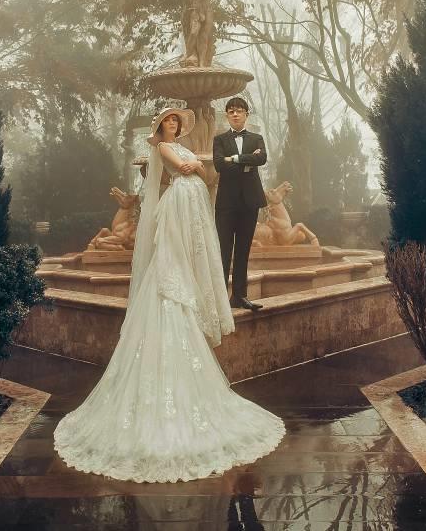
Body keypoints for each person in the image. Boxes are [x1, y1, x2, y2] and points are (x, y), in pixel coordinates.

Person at [53, 108, 284, 483]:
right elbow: (187, 169)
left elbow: (204, 172)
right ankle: (172, 283)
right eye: (168, 122)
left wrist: (199, 167)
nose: (173, 126)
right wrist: (194, 167)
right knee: (171, 255)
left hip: (193, 203)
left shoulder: (185, 146)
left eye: (176, 122)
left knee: (195, 252)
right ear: (161, 127)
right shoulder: (163, 147)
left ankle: (186, 280)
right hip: (178, 203)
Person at [213, 98, 267, 311]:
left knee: (243, 251)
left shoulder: (256, 138)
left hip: (250, 201)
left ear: (246, 114)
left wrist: (233, 159)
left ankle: (239, 296)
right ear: (227, 115)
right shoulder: (219, 140)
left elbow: (261, 159)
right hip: (226, 203)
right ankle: (219, 300)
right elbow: (219, 164)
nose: (235, 114)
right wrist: (246, 160)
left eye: (239, 111)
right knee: (224, 251)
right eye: (231, 111)